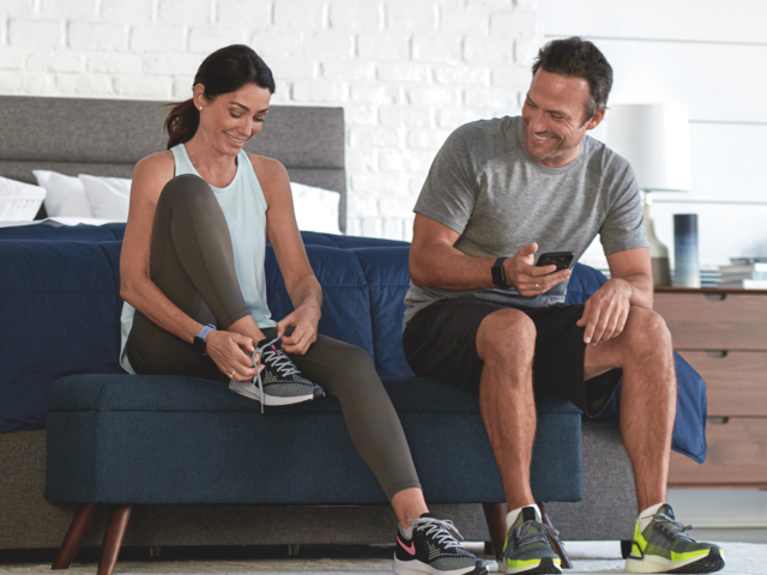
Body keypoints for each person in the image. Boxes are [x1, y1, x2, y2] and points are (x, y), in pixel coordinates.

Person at [118, 44, 485, 575]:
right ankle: (258, 355)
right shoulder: (157, 170)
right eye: (236, 112)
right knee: (190, 193)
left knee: (352, 362)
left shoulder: (269, 174)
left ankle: (414, 528)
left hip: (256, 339)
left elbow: (299, 275)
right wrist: (208, 337)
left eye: (259, 117)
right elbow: (132, 284)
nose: (247, 128)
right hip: (170, 335)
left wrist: (310, 309)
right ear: (201, 97)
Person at [403, 37, 725, 575]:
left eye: (555, 115)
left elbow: (639, 280)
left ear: (593, 119)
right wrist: (501, 271)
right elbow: (424, 260)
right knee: (512, 327)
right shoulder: (473, 146)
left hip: (534, 325)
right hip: (443, 321)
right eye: (531, 105)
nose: (535, 123)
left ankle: (652, 527)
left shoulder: (611, 174)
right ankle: (522, 525)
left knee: (648, 329)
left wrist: (622, 290)